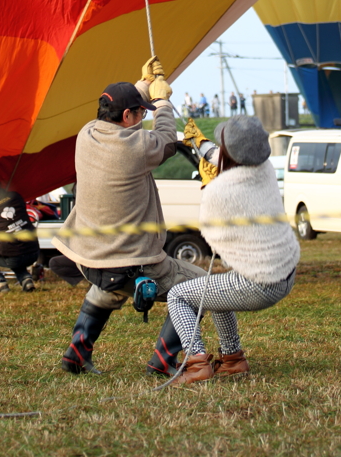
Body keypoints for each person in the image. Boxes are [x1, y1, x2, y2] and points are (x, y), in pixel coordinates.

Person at [53, 57, 204, 376]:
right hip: (133, 261)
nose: (141, 117)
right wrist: (162, 102)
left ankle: (76, 353)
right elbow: (166, 140)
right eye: (139, 112)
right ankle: (164, 362)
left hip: (91, 256)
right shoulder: (135, 145)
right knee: (201, 289)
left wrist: (143, 87)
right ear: (127, 116)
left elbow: (121, 108)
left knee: (108, 289)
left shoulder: (87, 133)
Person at [166, 115, 299, 383]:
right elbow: (221, 156)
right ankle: (232, 358)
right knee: (215, 288)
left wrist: (208, 187)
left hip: (260, 284)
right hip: (286, 273)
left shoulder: (223, 189)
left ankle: (196, 363)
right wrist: (198, 143)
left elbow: (211, 237)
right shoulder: (265, 168)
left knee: (178, 296)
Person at [0, 177, 40, 293]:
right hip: (33, 252)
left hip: (12, 257)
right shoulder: (16, 196)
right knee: (11, 249)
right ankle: (25, 279)